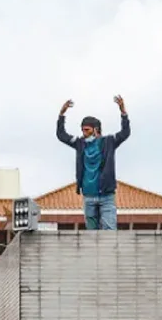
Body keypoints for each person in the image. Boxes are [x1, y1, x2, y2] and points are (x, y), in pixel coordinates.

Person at [56, 95, 131, 231]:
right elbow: (62, 135)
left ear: (96, 129)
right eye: (82, 130)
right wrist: (61, 114)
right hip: (88, 196)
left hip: (106, 195)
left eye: (87, 130)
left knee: (108, 231)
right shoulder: (80, 144)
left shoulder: (109, 142)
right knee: (91, 234)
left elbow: (125, 133)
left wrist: (123, 112)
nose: (84, 133)